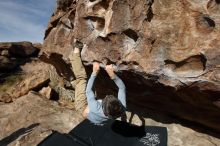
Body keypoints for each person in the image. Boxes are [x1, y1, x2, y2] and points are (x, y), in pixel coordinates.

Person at [69, 40, 127, 124]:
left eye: (106, 99)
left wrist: (94, 72)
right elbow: (122, 88)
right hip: (94, 113)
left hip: (82, 107)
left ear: (103, 107)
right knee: (90, 83)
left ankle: (76, 50)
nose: (106, 96)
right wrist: (112, 75)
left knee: (82, 78)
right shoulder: (121, 108)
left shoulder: (95, 107)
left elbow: (88, 90)